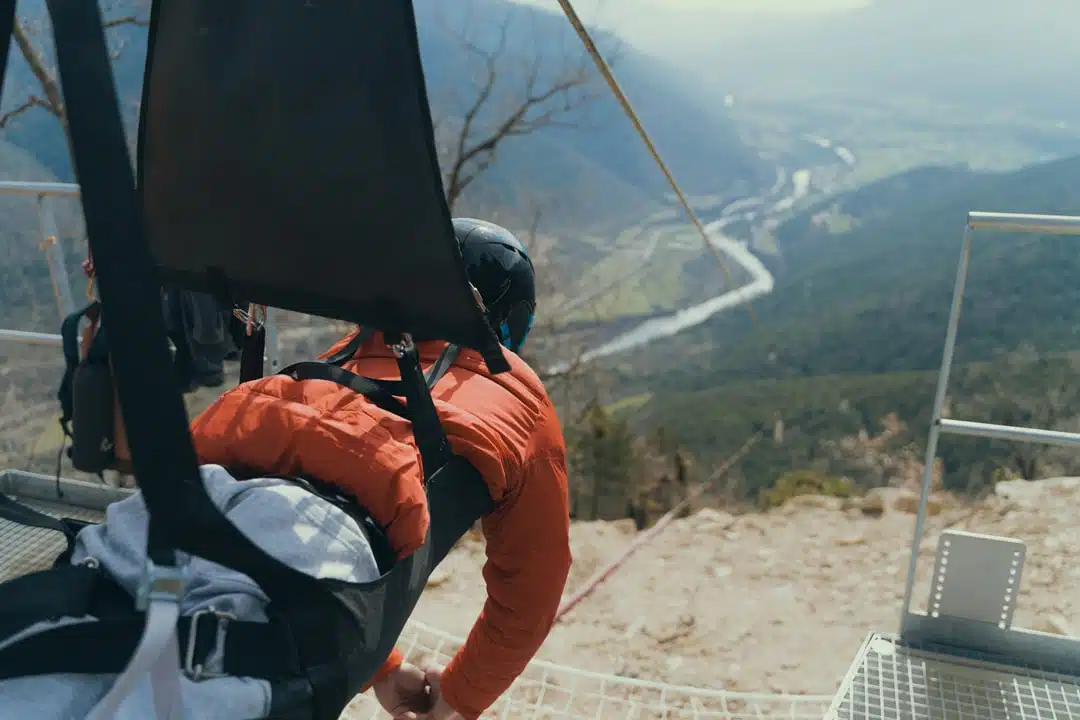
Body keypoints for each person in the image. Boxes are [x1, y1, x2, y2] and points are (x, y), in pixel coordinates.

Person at [189, 218, 571, 719]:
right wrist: (458, 697)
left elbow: (323, 463)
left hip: (189, 507)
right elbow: (532, 588)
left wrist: (384, 670)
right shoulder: (520, 396)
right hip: (312, 598)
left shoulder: (351, 350)